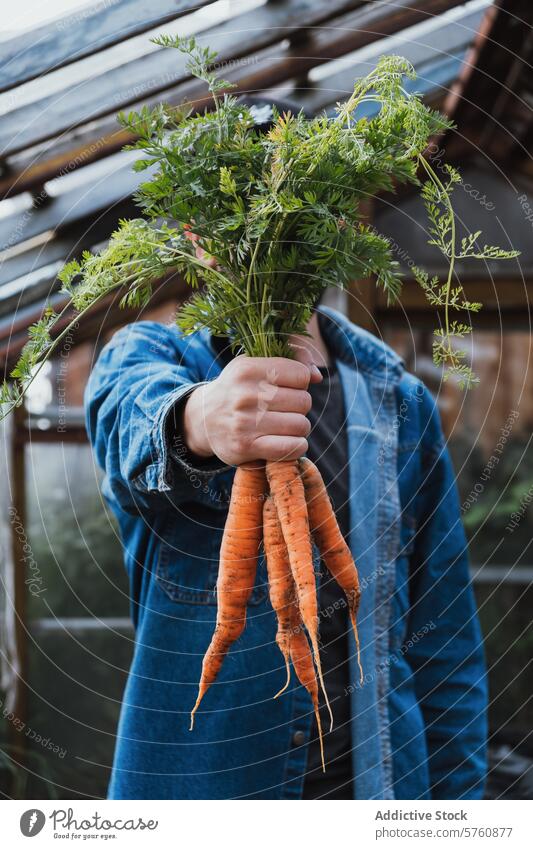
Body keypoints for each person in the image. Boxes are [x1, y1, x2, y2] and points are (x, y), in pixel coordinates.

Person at [85, 100, 488, 801]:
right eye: (242, 207)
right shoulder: (153, 359)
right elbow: (126, 418)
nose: (271, 226)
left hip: (373, 790)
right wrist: (201, 418)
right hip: (200, 793)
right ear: (195, 235)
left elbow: (441, 640)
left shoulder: (400, 404)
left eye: (298, 202)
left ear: (337, 221)